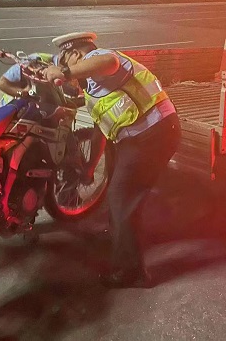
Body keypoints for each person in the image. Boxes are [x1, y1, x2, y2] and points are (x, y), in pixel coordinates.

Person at [44, 32, 180, 289]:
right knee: (120, 192)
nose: (67, 69)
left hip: (153, 134)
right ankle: (123, 235)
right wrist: (91, 169)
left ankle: (132, 272)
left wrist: (65, 71)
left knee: (121, 196)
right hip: (138, 137)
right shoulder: (95, 89)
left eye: (66, 59)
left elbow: (108, 61)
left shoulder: (98, 58)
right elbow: (100, 134)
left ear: (75, 54)